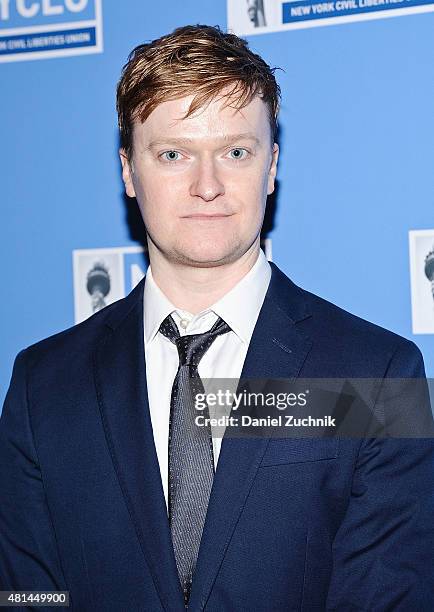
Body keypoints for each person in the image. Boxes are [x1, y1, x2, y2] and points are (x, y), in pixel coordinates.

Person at [1, 24, 433, 612]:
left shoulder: (380, 375)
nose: (207, 186)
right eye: (174, 154)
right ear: (129, 171)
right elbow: (28, 597)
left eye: (235, 152)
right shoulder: (43, 385)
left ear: (271, 165)